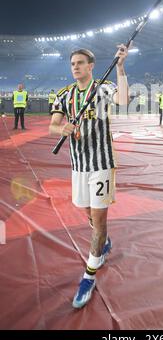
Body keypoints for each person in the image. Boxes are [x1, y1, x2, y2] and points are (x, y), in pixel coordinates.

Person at [49, 46, 129, 309]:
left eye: (81, 63)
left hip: (101, 164)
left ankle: (88, 276)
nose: (75, 67)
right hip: (79, 166)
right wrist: (63, 128)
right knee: (87, 214)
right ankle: (104, 241)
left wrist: (119, 68)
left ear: (91, 66)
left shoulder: (103, 88)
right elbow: (52, 126)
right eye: (72, 63)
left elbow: (124, 100)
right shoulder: (64, 95)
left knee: (99, 218)